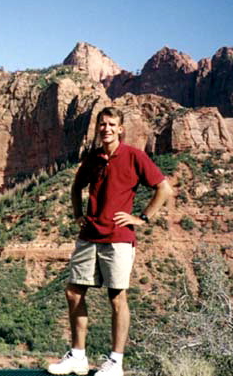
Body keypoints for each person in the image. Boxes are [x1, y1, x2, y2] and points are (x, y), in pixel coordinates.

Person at [47, 107, 173, 376]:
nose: (106, 128)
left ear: (121, 128)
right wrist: (78, 214)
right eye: (102, 124)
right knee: (73, 292)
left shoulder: (134, 156)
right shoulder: (92, 158)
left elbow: (164, 188)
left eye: (111, 124)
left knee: (117, 297)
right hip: (89, 234)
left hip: (118, 238)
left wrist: (142, 218)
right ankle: (78, 356)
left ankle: (116, 362)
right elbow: (76, 187)